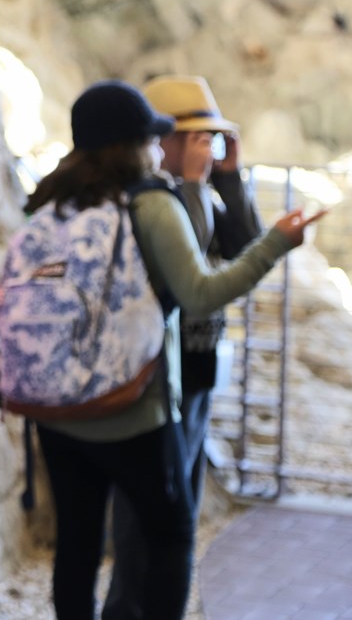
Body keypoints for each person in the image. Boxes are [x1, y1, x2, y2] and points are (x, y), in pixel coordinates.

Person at [26, 81, 323, 620]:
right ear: (142, 143)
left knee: (77, 546)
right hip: (133, 402)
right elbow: (202, 293)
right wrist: (277, 242)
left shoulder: (50, 202)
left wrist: (220, 181)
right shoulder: (153, 204)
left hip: (59, 405)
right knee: (170, 536)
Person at [103, 75, 263, 620]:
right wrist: (195, 184)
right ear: (165, 139)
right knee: (145, 512)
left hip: (197, 367)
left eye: (213, 139)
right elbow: (189, 278)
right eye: (198, 137)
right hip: (154, 375)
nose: (207, 148)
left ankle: (152, 604)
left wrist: (231, 177)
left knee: (180, 505)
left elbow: (246, 251)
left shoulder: (200, 193)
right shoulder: (151, 198)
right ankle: (127, 608)